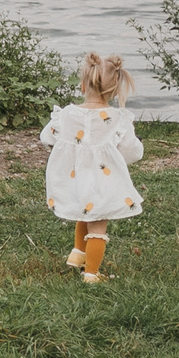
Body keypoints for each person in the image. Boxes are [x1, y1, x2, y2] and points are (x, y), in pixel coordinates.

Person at [41, 52, 144, 284]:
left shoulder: (67, 114)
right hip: (103, 180)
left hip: (75, 177)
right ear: (116, 90)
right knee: (98, 222)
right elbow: (131, 150)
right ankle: (92, 274)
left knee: (85, 210)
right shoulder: (117, 119)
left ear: (82, 85)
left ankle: (78, 253)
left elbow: (46, 137)